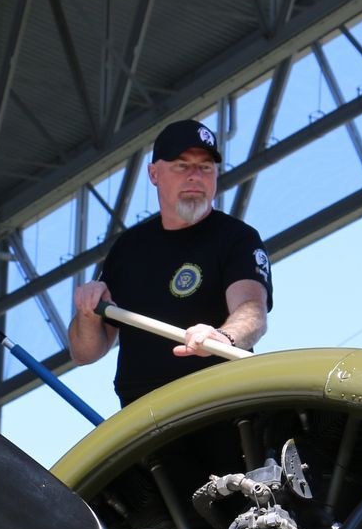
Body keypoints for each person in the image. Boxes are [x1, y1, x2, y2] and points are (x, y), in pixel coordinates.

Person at [69, 119, 271, 405]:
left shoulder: (237, 238)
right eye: (182, 165)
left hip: (221, 404)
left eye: (205, 167)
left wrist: (224, 337)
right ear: (154, 173)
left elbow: (252, 312)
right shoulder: (128, 248)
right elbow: (83, 353)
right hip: (144, 416)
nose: (195, 176)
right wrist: (87, 313)